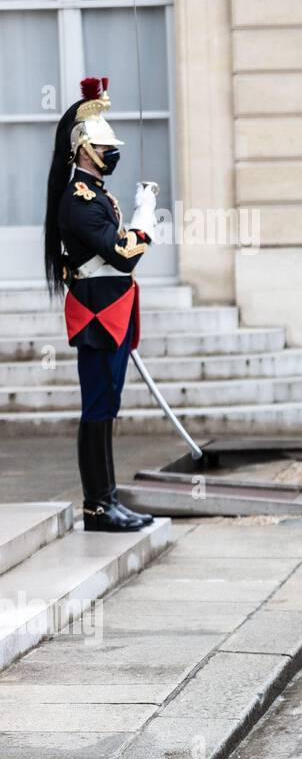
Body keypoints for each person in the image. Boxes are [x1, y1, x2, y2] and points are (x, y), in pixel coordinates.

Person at [43, 76, 158, 534]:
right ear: (83, 151)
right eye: (104, 148)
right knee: (97, 408)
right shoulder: (80, 200)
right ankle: (96, 506)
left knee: (107, 407)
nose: (112, 154)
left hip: (112, 312)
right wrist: (147, 216)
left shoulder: (96, 196)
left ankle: (107, 499)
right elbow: (123, 254)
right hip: (97, 317)